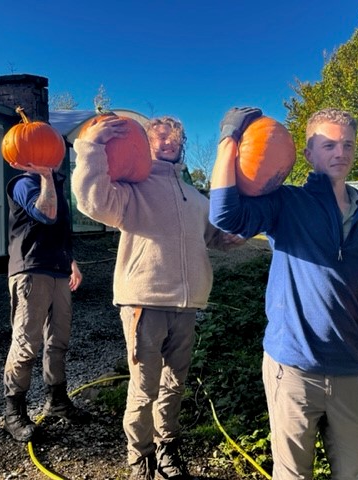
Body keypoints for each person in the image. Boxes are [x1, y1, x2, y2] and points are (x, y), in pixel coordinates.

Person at [209, 107, 358, 479]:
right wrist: (229, 138)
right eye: (329, 144)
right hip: (293, 368)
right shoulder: (286, 204)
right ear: (307, 154)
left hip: (353, 369)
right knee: (292, 475)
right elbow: (224, 215)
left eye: (348, 144)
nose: (341, 152)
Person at [71, 115, 241, 480]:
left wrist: (234, 236)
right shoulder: (132, 188)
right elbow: (92, 202)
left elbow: (215, 237)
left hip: (187, 305)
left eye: (173, 138)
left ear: (181, 144)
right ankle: (140, 457)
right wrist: (90, 147)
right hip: (144, 302)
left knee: (174, 384)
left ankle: (167, 449)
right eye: (159, 138)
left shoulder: (196, 198)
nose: (167, 143)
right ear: (146, 144)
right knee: (144, 386)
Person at [3, 163, 91, 443]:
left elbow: (58, 233)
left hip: (59, 271)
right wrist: (44, 175)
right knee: (26, 343)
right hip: (31, 271)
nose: (53, 156)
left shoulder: (54, 185)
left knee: (58, 341)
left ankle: (57, 401)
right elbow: (45, 213)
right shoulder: (24, 184)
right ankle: (13, 412)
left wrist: (72, 262)